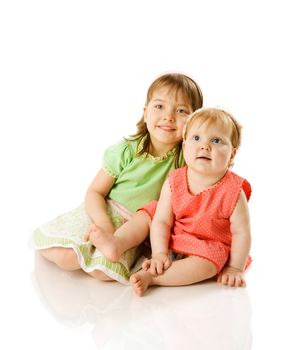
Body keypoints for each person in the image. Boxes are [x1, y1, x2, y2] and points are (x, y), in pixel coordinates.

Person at [32, 72, 203, 284]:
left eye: (181, 111)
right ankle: (77, 247)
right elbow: (95, 192)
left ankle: (100, 253)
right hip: (105, 211)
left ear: (195, 121)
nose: (168, 116)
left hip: (137, 228)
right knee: (66, 257)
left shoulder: (185, 160)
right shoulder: (128, 150)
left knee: (103, 273)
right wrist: (104, 223)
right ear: (145, 112)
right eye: (159, 106)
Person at [104, 107, 251, 295]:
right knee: (150, 212)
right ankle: (118, 242)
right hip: (171, 235)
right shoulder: (175, 180)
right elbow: (162, 221)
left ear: (232, 155)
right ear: (184, 146)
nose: (205, 146)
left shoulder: (233, 191)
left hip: (205, 246)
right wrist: (159, 253)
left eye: (216, 141)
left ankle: (153, 277)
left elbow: (242, 233)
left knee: (208, 264)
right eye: (196, 138)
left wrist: (235, 268)